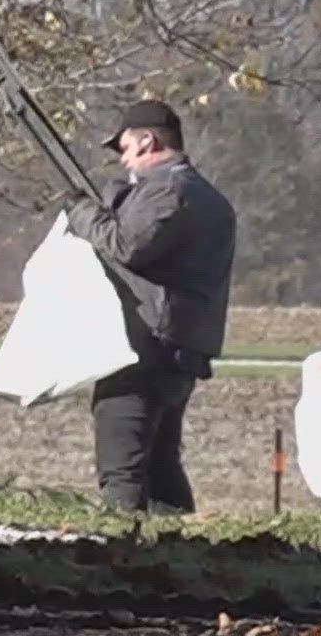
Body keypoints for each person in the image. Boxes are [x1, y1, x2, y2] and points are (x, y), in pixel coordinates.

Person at [64, 99, 237, 514]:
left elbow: (127, 244)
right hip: (181, 348)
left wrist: (82, 212)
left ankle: (122, 558)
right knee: (161, 468)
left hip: (145, 348)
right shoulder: (209, 198)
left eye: (124, 148)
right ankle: (175, 559)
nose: (124, 160)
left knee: (121, 470)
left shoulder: (168, 189)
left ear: (147, 141)